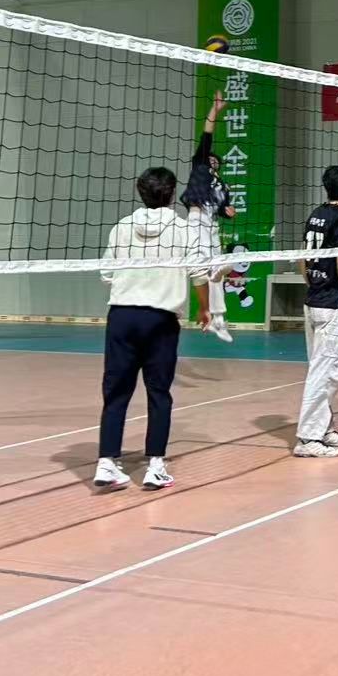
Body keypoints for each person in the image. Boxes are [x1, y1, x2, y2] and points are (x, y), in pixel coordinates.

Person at [94, 166, 210, 490]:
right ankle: (155, 466)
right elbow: (199, 274)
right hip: (160, 319)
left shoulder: (121, 227)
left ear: (140, 191)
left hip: (121, 317)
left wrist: (134, 284)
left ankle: (107, 462)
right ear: (172, 194)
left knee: (116, 391)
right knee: (158, 392)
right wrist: (205, 308)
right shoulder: (184, 229)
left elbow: (106, 274)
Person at [294, 164, 338, 458]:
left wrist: (312, 284)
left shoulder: (316, 215)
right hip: (331, 307)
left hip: (314, 302)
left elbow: (302, 257)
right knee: (326, 374)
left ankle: (324, 428)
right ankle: (308, 438)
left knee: (329, 372)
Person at [182, 91, 238, 343]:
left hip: (212, 222)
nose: (213, 161)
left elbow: (223, 208)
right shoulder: (200, 167)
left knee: (217, 273)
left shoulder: (223, 186)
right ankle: (213, 273)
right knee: (205, 265)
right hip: (196, 218)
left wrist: (228, 212)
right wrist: (214, 111)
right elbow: (207, 134)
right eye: (211, 158)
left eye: (217, 161)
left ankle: (219, 319)